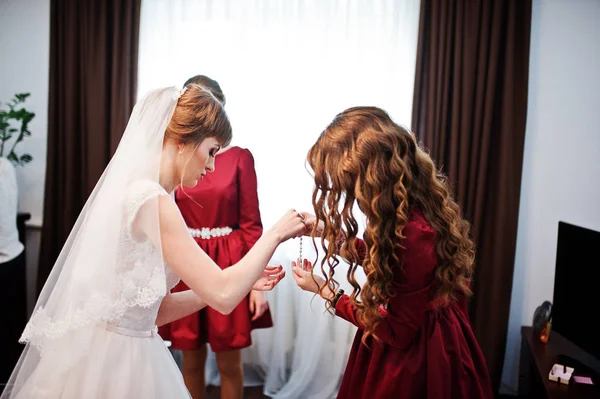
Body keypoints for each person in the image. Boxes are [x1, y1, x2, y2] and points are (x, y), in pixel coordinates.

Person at [1, 84, 304, 399]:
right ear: (182, 142)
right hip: (120, 362)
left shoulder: (145, 192)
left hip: (120, 344)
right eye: (211, 151)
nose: (212, 166)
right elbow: (224, 294)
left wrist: (245, 278)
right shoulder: (151, 200)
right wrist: (277, 233)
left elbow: (155, 311)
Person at [292, 106, 493, 398]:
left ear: (369, 174)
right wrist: (328, 233)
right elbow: (390, 265)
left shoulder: (412, 234)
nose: (345, 192)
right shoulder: (409, 204)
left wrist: (327, 292)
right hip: (423, 330)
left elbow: (397, 331)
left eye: (346, 182)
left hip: (415, 356)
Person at [159, 75, 272, 399]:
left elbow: (251, 223)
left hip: (229, 262)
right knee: (189, 361)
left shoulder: (239, 158)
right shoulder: (177, 161)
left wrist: (253, 283)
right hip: (186, 262)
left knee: (229, 362)